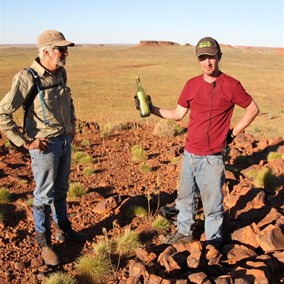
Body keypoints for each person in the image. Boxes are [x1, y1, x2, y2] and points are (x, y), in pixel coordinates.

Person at [143, 37, 259, 248]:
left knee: (212, 204)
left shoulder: (231, 85)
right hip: (190, 153)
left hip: (213, 157)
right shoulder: (192, 85)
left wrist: (233, 133)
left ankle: (214, 242)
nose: (207, 62)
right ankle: (184, 232)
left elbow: (252, 109)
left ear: (219, 56)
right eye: (202, 58)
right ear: (198, 60)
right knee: (185, 197)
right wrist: (151, 109)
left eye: (211, 57)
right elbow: (178, 114)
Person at [0, 30, 89, 266]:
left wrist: (71, 125)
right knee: (43, 195)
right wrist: (26, 142)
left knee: (61, 189)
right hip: (44, 147)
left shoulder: (61, 73)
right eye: (61, 49)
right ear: (46, 51)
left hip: (63, 141)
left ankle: (65, 230)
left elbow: (68, 100)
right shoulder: (27, 78)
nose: (66, 53)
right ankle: (44, 243)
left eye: (66, 48)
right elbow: (3, 113)